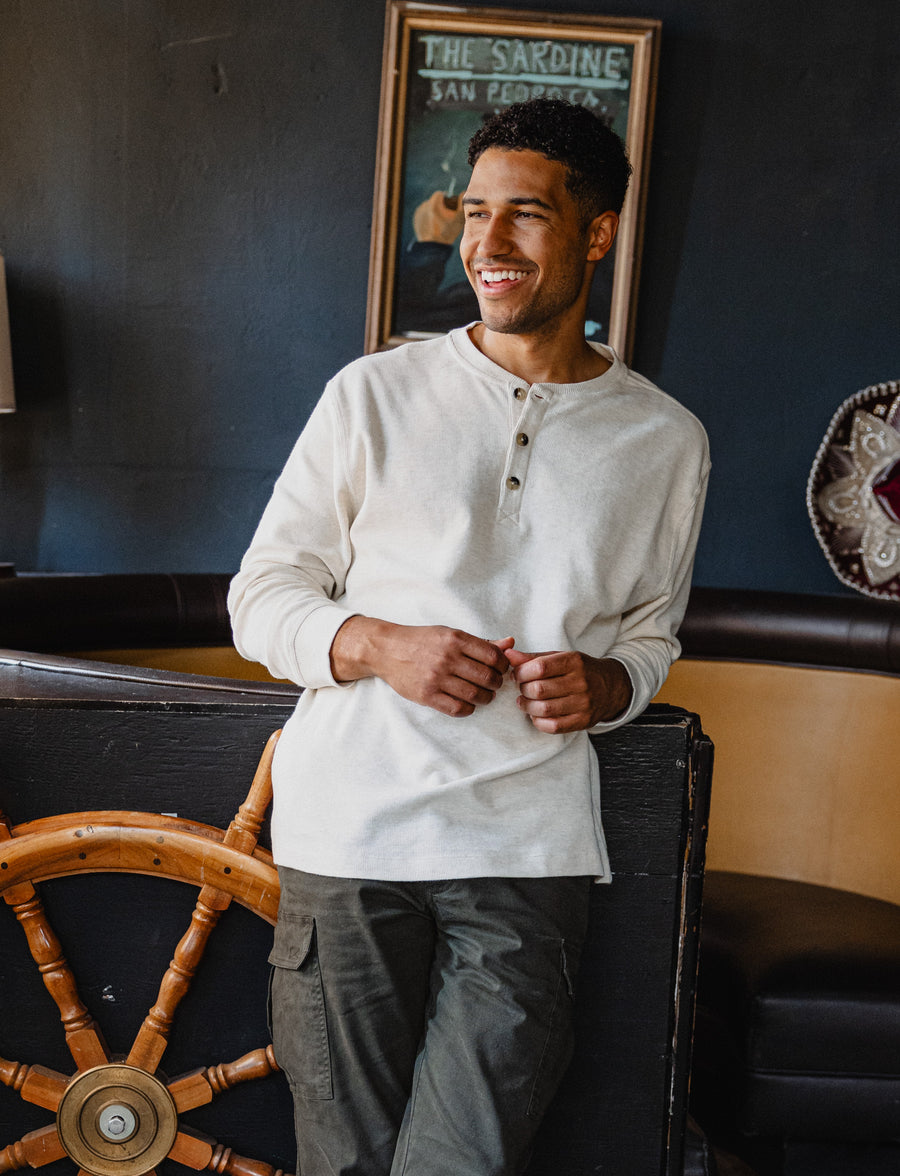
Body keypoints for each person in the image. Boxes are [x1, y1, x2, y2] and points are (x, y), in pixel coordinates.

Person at [228, 98, 710, 1176]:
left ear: (596, 232)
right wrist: (374, 644)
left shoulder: (666, 441)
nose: (486, 245)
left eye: (526, 215)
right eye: (474, 212)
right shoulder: (371, 396)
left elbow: (651, 636)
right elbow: (261, 597)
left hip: (525, 852)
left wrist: (611, 683)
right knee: (343, 1161)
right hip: (346, 838)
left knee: (466, 1164)